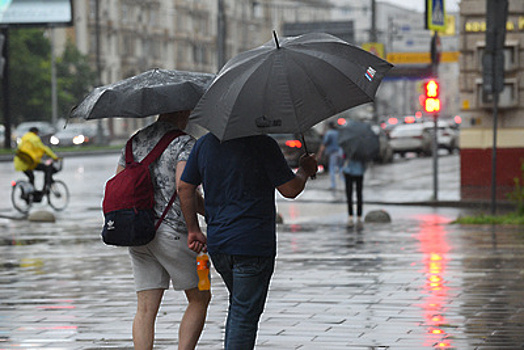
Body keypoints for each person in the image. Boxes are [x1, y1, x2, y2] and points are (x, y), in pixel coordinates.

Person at [178, 133, 318, 350]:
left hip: (219, 245)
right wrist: (304, 170)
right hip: (253, 244)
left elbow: (184, 187)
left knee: (239, 308)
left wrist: (193, 229)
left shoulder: (205, 144)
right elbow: (290, 189)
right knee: (244, 315)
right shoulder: (263, 144)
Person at [115, 111, 210, 350]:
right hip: (175, 234)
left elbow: (118, 182)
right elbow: (184, 187)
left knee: (145, 308)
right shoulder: (184, 142)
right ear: (183, 112)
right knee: (201, 296)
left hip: (139, 234)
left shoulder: (134, 141)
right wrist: (195, 228)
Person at [317, 121, 343, 190]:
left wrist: (320, 153)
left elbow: (324, 144)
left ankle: (333, 185)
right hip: (340, 152)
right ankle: (344, 183)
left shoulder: (329, 133)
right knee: (340, 167)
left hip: (332, 153)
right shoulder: (338, 133)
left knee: (332, 168)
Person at [343, 157, 367, 229]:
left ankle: (350, 216)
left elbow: (343, 157)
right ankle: (359, 216)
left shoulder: (348, 148)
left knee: (349, 194)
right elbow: (365, 161)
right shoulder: (361, 150)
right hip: (359, 171)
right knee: (359, 195)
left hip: (349, 171)